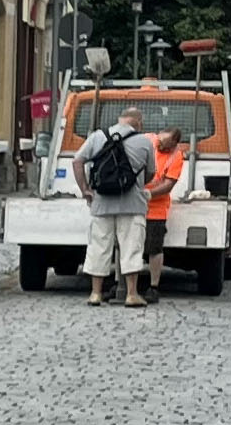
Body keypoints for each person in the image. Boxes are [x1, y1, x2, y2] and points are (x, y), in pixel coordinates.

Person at [73, 104, 153, 308]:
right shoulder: (144, 141)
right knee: (132, 249)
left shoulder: (97, 137)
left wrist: (85, 189)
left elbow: (77, 161)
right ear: (138, 122)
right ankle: (132, 294)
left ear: (120, 119)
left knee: (99, 247)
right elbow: (151, 173)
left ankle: (95, 293)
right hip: (133, 204)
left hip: (102, 204)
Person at [142, 127, 187, 304]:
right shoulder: (148, 140)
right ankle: (122, 284)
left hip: (156, 208)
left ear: (174, 144)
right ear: (158, 135)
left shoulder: (176, 156)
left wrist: (148, 194)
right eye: (160, 142)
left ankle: (153, 287)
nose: (161, 146)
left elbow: (168, 185)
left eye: (166, 145)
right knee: (125, 245)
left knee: (154, 248)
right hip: (133, 205)